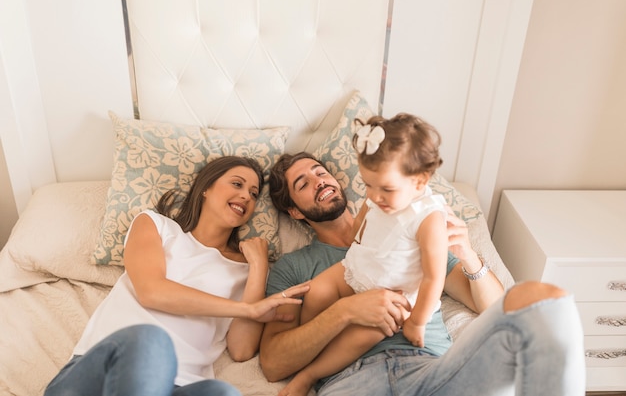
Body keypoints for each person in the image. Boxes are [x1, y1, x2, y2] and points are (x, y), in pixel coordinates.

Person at [261, 141, 586, 395]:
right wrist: (345, 310)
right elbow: (274, 364)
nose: (319, 182)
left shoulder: (412, 234)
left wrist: (469, 257)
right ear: (294, 211)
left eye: (320, 172)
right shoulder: (294, 267)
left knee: (541, 299)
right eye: (302, 183)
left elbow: (491, 308)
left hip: (431, 371)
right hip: (351, 382)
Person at [44, 156, 309, 396]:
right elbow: (152, 292)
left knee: (223, 393)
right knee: (152, 340)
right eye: (237, 184)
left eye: (253, 194)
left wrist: (259, 266)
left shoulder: (246, 269)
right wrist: (246, 309)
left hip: (182, 385)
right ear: (206, 187)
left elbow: (241, 350)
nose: (246, 197)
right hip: (107, 373)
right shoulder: (156, 226)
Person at [281, 114, 450, 396]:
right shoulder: (377, 198)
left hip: (394, 294)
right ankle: (311, 347)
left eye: (386, 189)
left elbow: (435, 277)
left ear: (419, 181)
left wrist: (417, 322)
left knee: (365, 335)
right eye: (367, 185)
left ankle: (310, 373)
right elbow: (363, 218)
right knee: (318, 290)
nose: (374, 196)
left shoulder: (428, 218)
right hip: (358, 268)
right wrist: (357, 229)